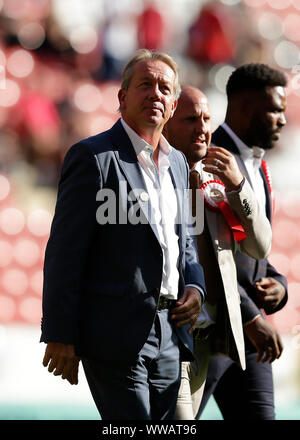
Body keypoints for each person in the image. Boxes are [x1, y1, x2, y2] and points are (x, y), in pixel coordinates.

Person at [40, 49, 206, 420]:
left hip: (171, 333)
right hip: (115, 335)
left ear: (174, 103)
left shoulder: (178, 162)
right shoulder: (93, 157)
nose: (155, 94)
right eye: (145, 84)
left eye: (164, 88)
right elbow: (65, 252)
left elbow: (186, 242)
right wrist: (60, 333)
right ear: (122, 97)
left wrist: (196, 287)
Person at [163, 85, 272, 419]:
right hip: (171, 333)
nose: (203, 128)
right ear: (166, 124)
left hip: (217, 334)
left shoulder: (220, 177)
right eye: (191, 119)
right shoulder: (154, 177)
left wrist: (239, 186)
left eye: (207, 118)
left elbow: (259, 246)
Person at [198, 63, 288, 420]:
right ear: (247, 107)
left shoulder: (257, 163)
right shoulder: (209, 159)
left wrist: (278, 284)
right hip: (210, 332)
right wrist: (251, 316)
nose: (283, 119)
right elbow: (207, 249)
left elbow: (249, 250)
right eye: (276, 109)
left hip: (249, 338)